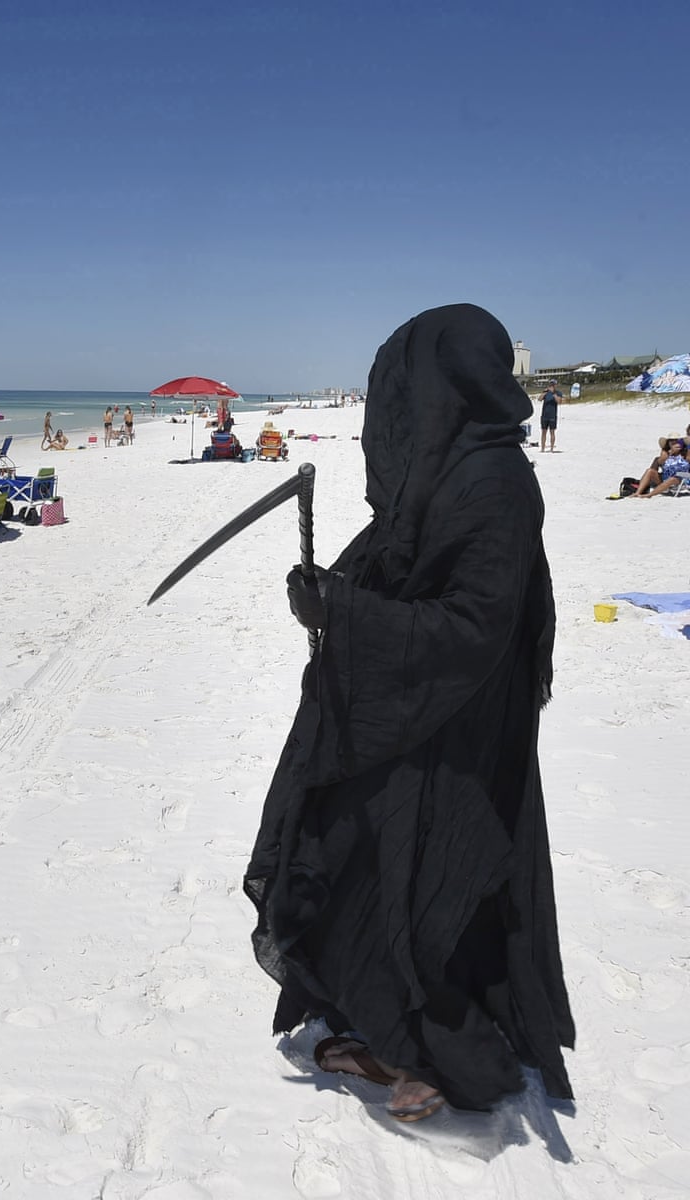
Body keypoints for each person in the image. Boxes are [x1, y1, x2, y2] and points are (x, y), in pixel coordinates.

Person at [246, 304, 574, 1122]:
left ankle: (431, 1057)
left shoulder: (494, 483)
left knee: (424, 884)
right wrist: (335, 593)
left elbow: (474, 625)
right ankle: (386, 1024)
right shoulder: (453, 464)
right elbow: (401, 559)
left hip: (456, 724)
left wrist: (345, 616)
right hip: (424, 710)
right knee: (362, 855)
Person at [538, 384, 562, 452]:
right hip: (544, 415)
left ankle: (552, 448)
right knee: (543, 432)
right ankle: (542, 448)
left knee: (552, 432)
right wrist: (544, 392)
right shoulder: (546, 393)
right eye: (550, 385)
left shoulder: (558, 393)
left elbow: (559, 401)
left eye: (553, 385)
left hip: (552, 415)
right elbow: (539, 399)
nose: (551, 387)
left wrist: (553, 394)